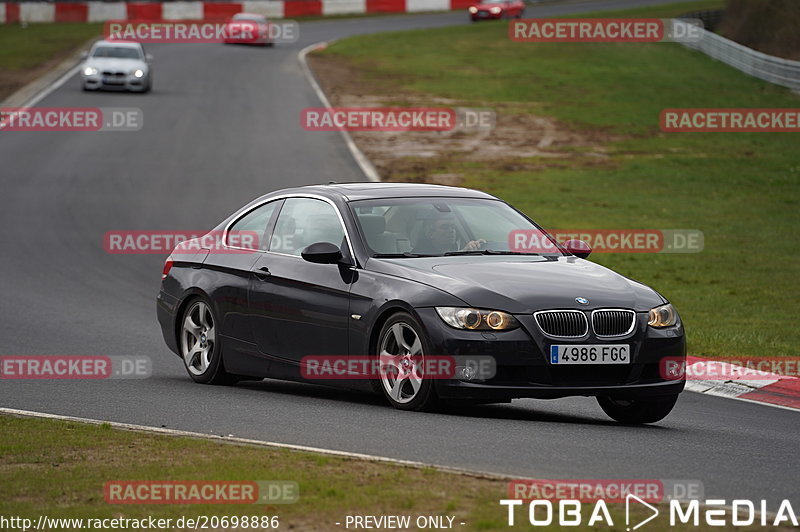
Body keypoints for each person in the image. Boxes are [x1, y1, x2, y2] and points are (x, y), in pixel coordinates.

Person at [412, 216, 486, 254]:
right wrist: (463, 252)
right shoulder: (420, 252)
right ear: (431, 233)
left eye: (453, 227)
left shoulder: (453, 248)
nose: (451, 230)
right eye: (445, 227)